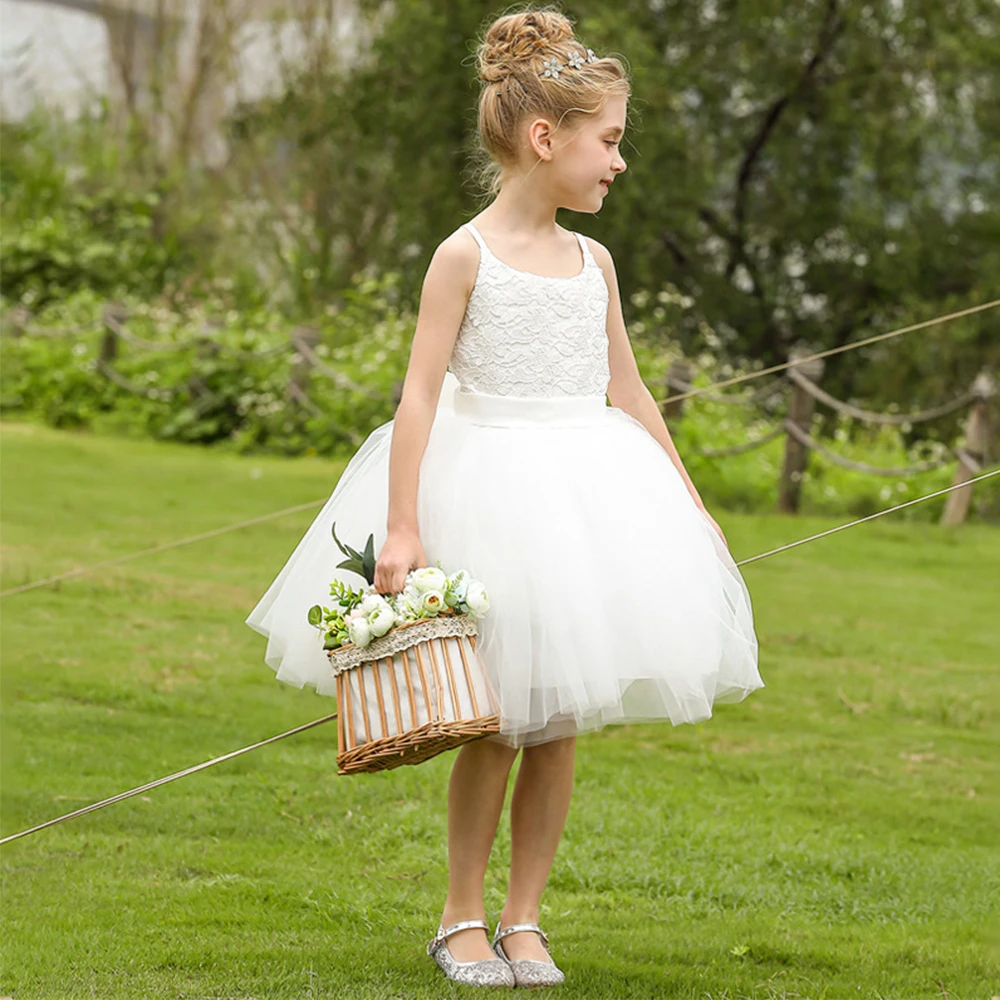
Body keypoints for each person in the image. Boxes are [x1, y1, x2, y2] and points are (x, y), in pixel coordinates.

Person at [246, 6, 763, 990]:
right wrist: (401, 525)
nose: (617, 162)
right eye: (607, 141)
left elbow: (628, 387)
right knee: (489, 721)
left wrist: (688, 504)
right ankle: (461, 915)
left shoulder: (594, 263)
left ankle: (526, 917)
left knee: (557, 713)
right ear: (544, 138)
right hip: (486, 489)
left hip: (587, 499)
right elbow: (419, 391)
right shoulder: (464, 256)